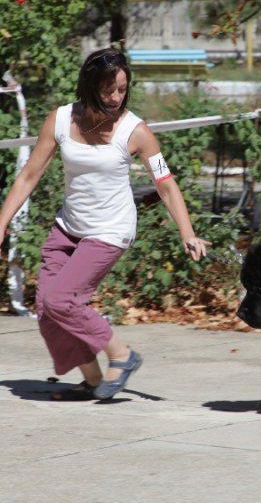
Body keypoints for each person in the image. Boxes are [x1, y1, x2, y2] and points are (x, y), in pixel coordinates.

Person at [0, 48, 211, 401]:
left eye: (122, 89)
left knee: (63, 299)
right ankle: (93, 380)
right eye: (108, 90)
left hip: (110, 230)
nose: (116, 97)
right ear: (89, 86)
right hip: (68, 227)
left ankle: (122, 355)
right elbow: (29, 176)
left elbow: (166, 184)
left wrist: (187, 233)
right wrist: (2, 222)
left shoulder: (136, 131)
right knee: (48, 312)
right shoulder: (61, 120)